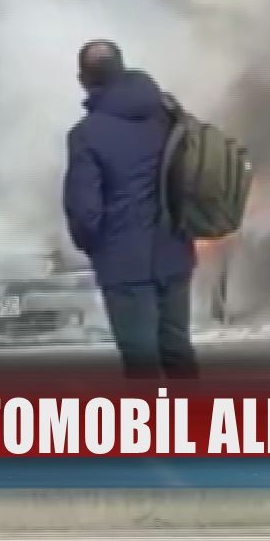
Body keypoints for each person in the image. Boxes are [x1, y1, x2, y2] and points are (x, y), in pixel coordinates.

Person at [62, 39, 199, 379]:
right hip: (175, 253)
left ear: (83, 80)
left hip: (124, 265)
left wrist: (95, 247)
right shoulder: (168, 114)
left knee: (141, 359)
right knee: (178, 350)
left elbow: (84, 211)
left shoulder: (87, 135)